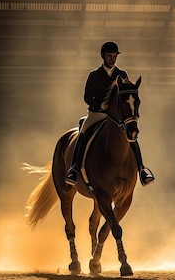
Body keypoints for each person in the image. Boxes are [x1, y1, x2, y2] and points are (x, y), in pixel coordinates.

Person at [65, 40, 155, 187]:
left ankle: (142, 169)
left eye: (114, 56)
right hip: (97, 114)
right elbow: (87, 97)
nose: (112, 59)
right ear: (103, 56)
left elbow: (126, 96)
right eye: (109, 56)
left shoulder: (122, 74)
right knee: (83, 133)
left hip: (115, 117)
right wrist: (100, 104)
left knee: (131, 136)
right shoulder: (94, 75)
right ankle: (74, 169)